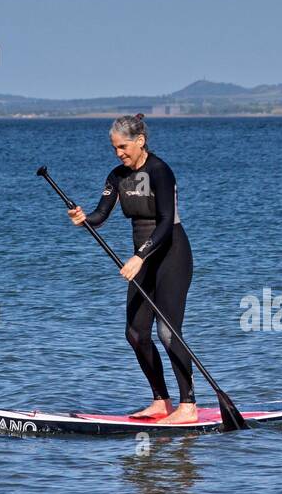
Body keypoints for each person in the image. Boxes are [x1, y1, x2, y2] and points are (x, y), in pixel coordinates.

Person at [67, 114, 197, 423]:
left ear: (140, 141)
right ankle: (161, 402)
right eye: (114, 148)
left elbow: (166, 223)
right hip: (142, 258)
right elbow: (101, 213)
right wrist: (84, 219)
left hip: (171, 254)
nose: (118, 153)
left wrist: (139, 256)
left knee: (167, 332)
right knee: (136, 333)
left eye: (123, 146)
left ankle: (188, 406)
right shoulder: (117, 176)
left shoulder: (160, 172)